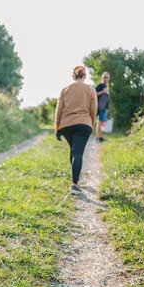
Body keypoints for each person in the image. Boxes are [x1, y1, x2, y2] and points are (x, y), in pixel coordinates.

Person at [55, 66, 97, 195]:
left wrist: (57, 127)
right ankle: (74, 184)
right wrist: (91, 124)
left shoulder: (65, 90)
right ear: (84, 76)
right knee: (77, 152)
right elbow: (93, 109)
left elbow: (59, 110)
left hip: (67, 125)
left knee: (74, 150)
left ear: (74, 76)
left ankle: (76, 177)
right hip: (84, 123)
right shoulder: (90, 89)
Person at [95, 71, 111, 142]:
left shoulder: (105, 86)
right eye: (104, 77)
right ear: (102, 77)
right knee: (99, 122)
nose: (105, 78)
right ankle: (98, 138)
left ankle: (100, 137)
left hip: (104, 108)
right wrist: (103, 92)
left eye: (107, 77)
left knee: (101, 123)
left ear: (109, 78)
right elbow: (94, 94)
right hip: (100, 108)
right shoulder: (100, 86)